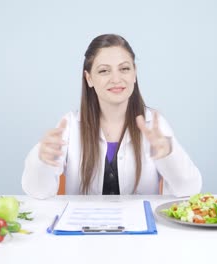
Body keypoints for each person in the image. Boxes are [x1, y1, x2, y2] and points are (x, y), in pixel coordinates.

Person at [22, 34, 202, 198]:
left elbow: (189, 189)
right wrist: (42, 160)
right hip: (82, 229)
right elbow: (38, 192)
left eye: (124, 69)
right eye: (104, 71)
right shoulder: (69, 125)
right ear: (89, 78)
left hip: (141, 231)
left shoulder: (154, 125)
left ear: (134, 74)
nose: (116, 79)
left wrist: (169, 155)